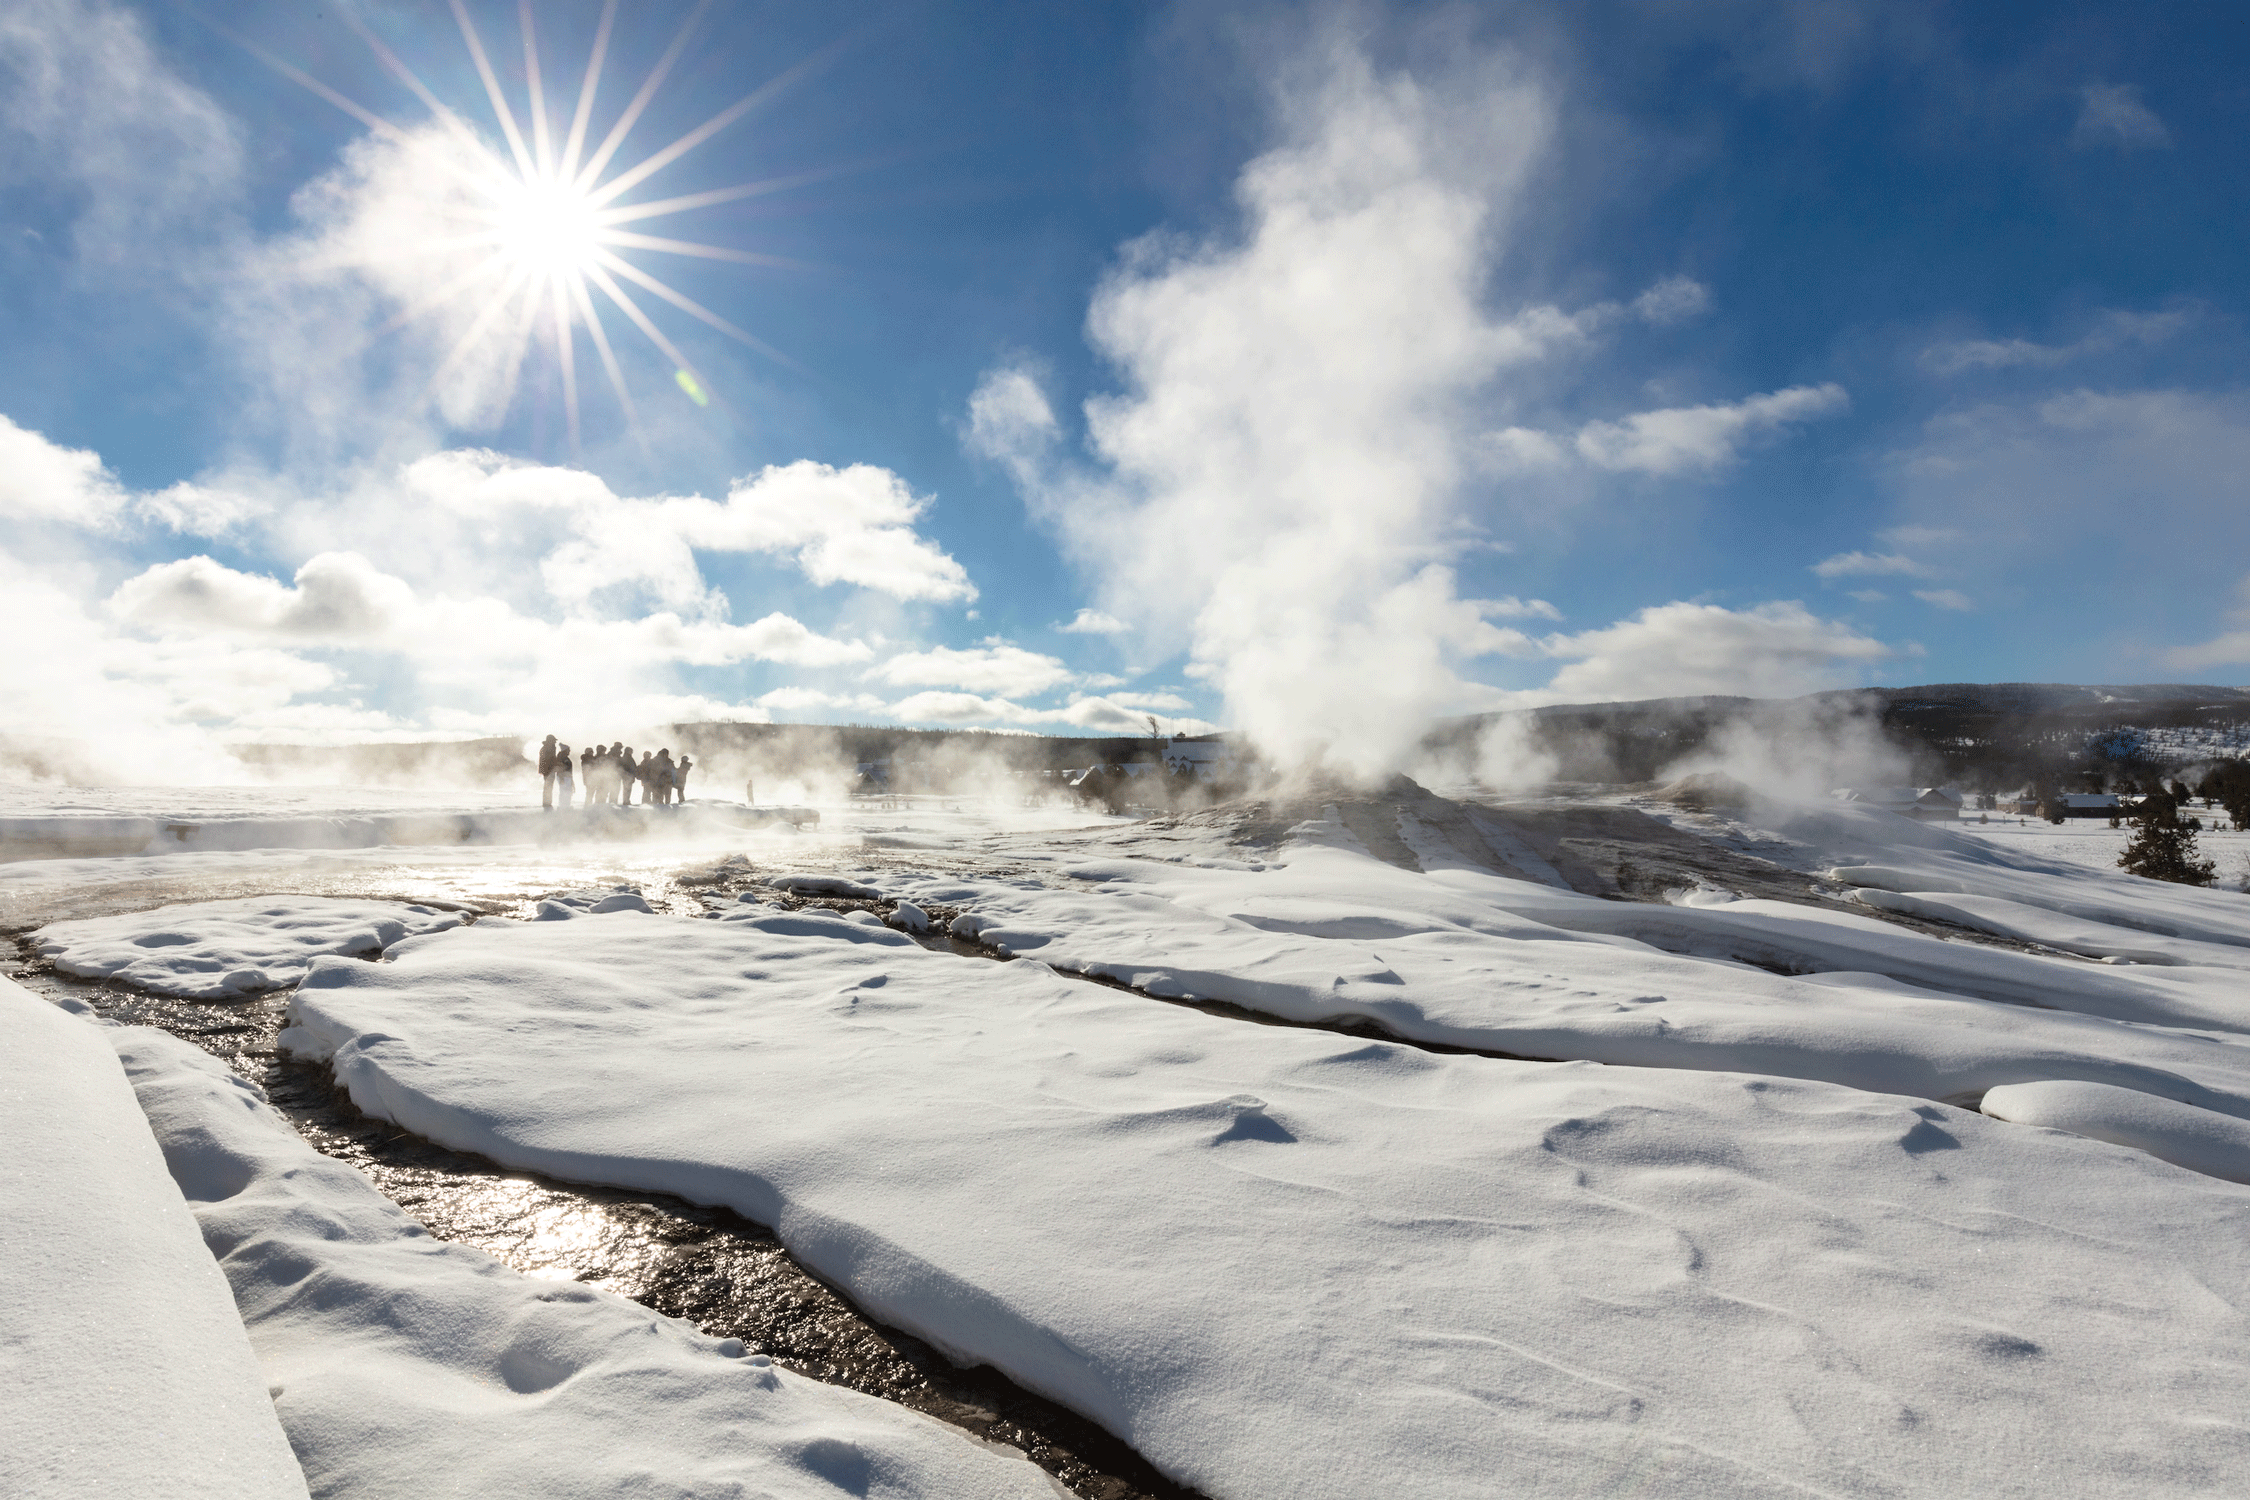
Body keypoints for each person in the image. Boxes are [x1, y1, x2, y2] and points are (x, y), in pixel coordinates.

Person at [537, 734, 558, 810]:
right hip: (549, 770)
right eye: (554, 741)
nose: (555, 742)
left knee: (548, 787)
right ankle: (547, 803)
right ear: (550, 741)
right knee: (548, 787)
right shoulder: (549, 748)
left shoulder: (546, 748)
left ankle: (547, 803)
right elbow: (550, 760)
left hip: (547, 770)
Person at [554, 743, 575, 810]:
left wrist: (571, 780)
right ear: (565, 750)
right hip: (563, 777)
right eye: (568, 750)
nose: (569, 751)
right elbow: (559, 768)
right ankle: (563, 806)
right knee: (564, 792)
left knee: (568, 791)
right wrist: (561, 778)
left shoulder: (565, 758)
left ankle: (566, 805)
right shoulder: (561, 758)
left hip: (567, 777)